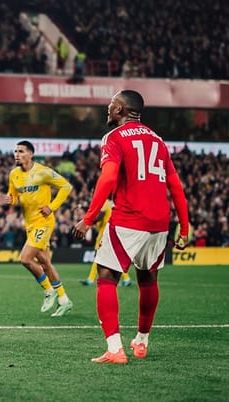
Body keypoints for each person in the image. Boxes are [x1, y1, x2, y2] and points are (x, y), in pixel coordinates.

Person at [74, 90, 190, 364]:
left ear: (122, 110)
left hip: (129, 218)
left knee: (106, 277)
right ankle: (141, 341)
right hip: (160, 222)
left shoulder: (113, 138)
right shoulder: (158, 140)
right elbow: (175, 186)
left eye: (111, 106)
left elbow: (108, 178)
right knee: (148, 279)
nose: (108, 110)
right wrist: (184, 228)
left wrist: (89, 218)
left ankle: (115, 349)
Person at [3, 140, 73, 317]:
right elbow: (13, 195)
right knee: (45, 263)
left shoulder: (43, 172)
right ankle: (64, 300)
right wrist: (11, 200)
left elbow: (66, 186)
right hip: (30, 224)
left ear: (30, 154)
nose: (16, 154)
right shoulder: (14, 174)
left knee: (25, 259)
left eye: (21, 151)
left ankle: (49, 290)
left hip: (44, 222)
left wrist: (52, 206)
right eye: (15, 151)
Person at [80, 200, 132, 287]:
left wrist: (89, 221)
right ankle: (90, 279)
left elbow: (101, 215)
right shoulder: (103, 203)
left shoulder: (103, 202)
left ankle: (90, 280)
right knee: (109, 257)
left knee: (101, 256)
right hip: (105, 232)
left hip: (105, 233)